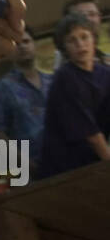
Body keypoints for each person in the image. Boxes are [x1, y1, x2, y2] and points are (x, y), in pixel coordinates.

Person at [37, 14, 110, 180]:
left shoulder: (105, 74)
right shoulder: (65, 78)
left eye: (84, 37)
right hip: (65, 170)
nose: (80, 45)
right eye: (72, 40)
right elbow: (92, 135)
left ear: (94, 39)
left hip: (93, 164)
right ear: (64, 48)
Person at [0, 27, 51, 180]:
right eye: (17, 43)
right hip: (31, 172)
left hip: (65, 161)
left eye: (26, 41)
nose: (22, 46)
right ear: (9, 51)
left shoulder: (52, 81)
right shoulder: (1, 89)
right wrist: (26, 164)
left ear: (34, 45)